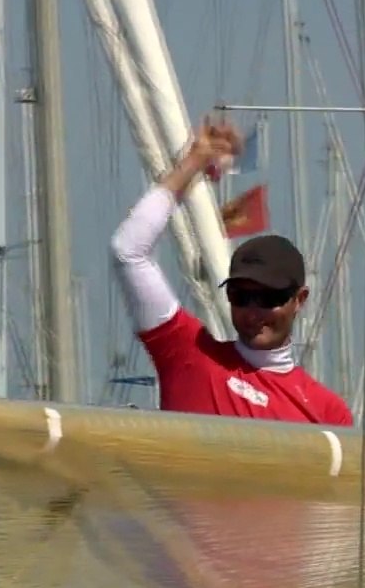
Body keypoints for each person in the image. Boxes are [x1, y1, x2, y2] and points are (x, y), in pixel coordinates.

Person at [110, 118, 352, 427]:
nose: (253, 311)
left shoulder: (328, 411)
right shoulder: (189, 356)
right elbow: (127, 250)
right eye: (240, 296)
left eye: (268, 297)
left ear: (299, 299)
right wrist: (194, 162)